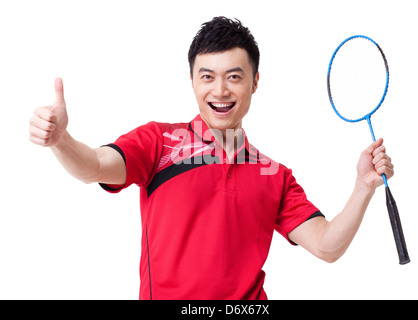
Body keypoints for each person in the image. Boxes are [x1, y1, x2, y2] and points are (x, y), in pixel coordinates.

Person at [29, 16, 394, 300]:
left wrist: (363, 188)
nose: (220, 90)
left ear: (254, 82)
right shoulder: (158, 142)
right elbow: (93, 166)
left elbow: (327, 246)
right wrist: (61, 140)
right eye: (208, 76)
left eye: (234, 77)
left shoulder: (275, 175)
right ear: (192, 80)